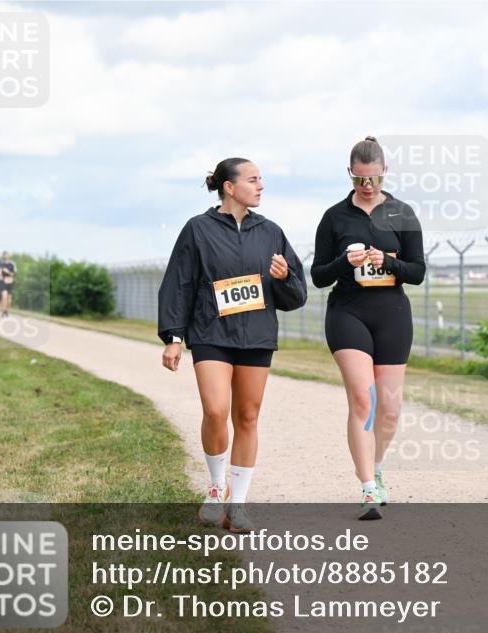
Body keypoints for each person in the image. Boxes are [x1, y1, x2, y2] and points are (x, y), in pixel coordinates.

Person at [158, 158, 307, 533]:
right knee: (215, 410)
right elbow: (179, 283)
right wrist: (173, 337)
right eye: (253, 180)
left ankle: (237, 505)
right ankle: (215, 487)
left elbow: (296, 295)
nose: (261, 186)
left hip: (256, 336)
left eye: (261, 180)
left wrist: (284, 277)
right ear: (229, 186)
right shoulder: (198, 229)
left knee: (247, 417)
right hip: (210, 332)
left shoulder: (271, 232)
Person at [310, 136, 426, 520]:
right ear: (349, 174)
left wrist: (388, 262)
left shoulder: (402, 213)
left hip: (392, 314)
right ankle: (366, 488)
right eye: (359, 179)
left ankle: (375, 468)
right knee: (364, 400)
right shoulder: (335, 217)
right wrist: (344, 262)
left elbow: (418, 272)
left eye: (373, 178)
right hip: (348, 313)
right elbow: (319, 276)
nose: (367, 186)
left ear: (384, 172)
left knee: (389, 409)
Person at [0, 251, 17, 318]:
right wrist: (0, 276)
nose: (5, 256)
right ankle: (3, 311)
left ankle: (6, 310)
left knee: (9, 300)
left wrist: (8, 272)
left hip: (10, 282)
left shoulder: (12, 264)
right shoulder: (1, 264)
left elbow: (13, 274)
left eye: (6, 255)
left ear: (9, 256)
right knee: (4, 297)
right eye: (4, 255)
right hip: (3, 282)